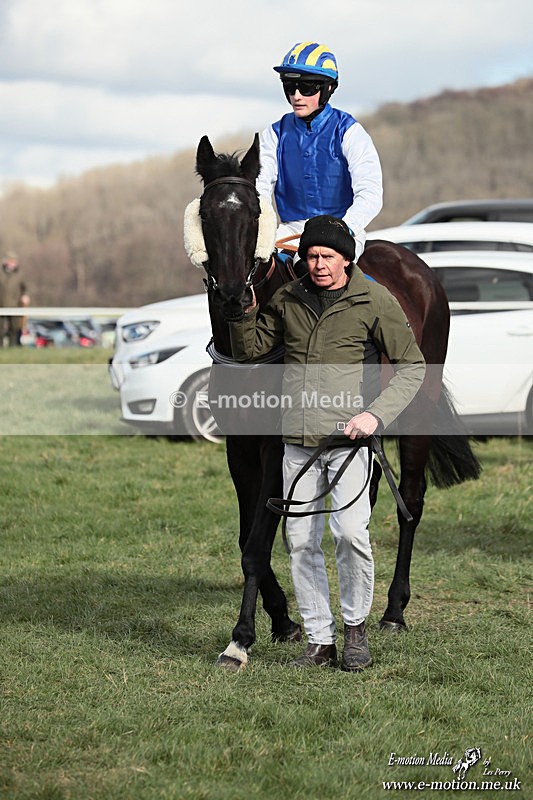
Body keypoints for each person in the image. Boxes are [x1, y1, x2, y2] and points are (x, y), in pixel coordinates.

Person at [229, 215, 426, 670]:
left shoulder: (374, 299)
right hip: (297, 445)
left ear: (346, 259)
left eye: (326, 257)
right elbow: (251, 350)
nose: (317, 265)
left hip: (348, 445)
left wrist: (375, 414)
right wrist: (241, 313)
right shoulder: (288, 298)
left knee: (352, 535)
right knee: (300, 542)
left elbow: (413, 366)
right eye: (311, 256)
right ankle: (319, 640)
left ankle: (355, 633)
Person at [257, 41, 383, 262]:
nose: (296, 96)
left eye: (306, 88)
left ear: (328, 88)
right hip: (290, 230)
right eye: (289, 87)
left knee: (321, 269)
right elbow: (261, 190)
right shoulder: (273, 134)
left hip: (342, 227)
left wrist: (344, 227)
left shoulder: (350, 131)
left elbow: (370, 193)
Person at [0, 252, 29, 346]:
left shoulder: (20, 275)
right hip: (1, 305)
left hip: (15, 306)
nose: (12, 263)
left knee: (15, 329)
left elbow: (25, 288)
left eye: (13, 261)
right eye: (10, 261)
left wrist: (25, 296)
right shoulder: (1, 273)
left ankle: (13, 348)